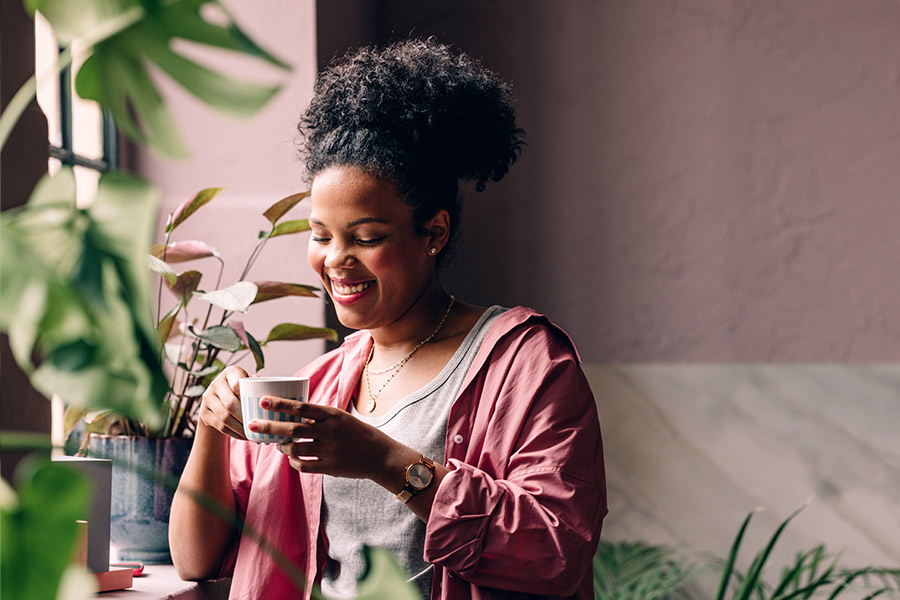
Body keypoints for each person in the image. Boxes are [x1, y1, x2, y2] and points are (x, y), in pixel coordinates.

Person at [169, 38, 606, 600]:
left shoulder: (526, 363)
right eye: (321, 236)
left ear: (434, 233)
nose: (335, 260)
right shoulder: (325, 382)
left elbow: (556, 549)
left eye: (367, 238)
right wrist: (210, 422)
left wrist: (382, 459)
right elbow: (192, 558)